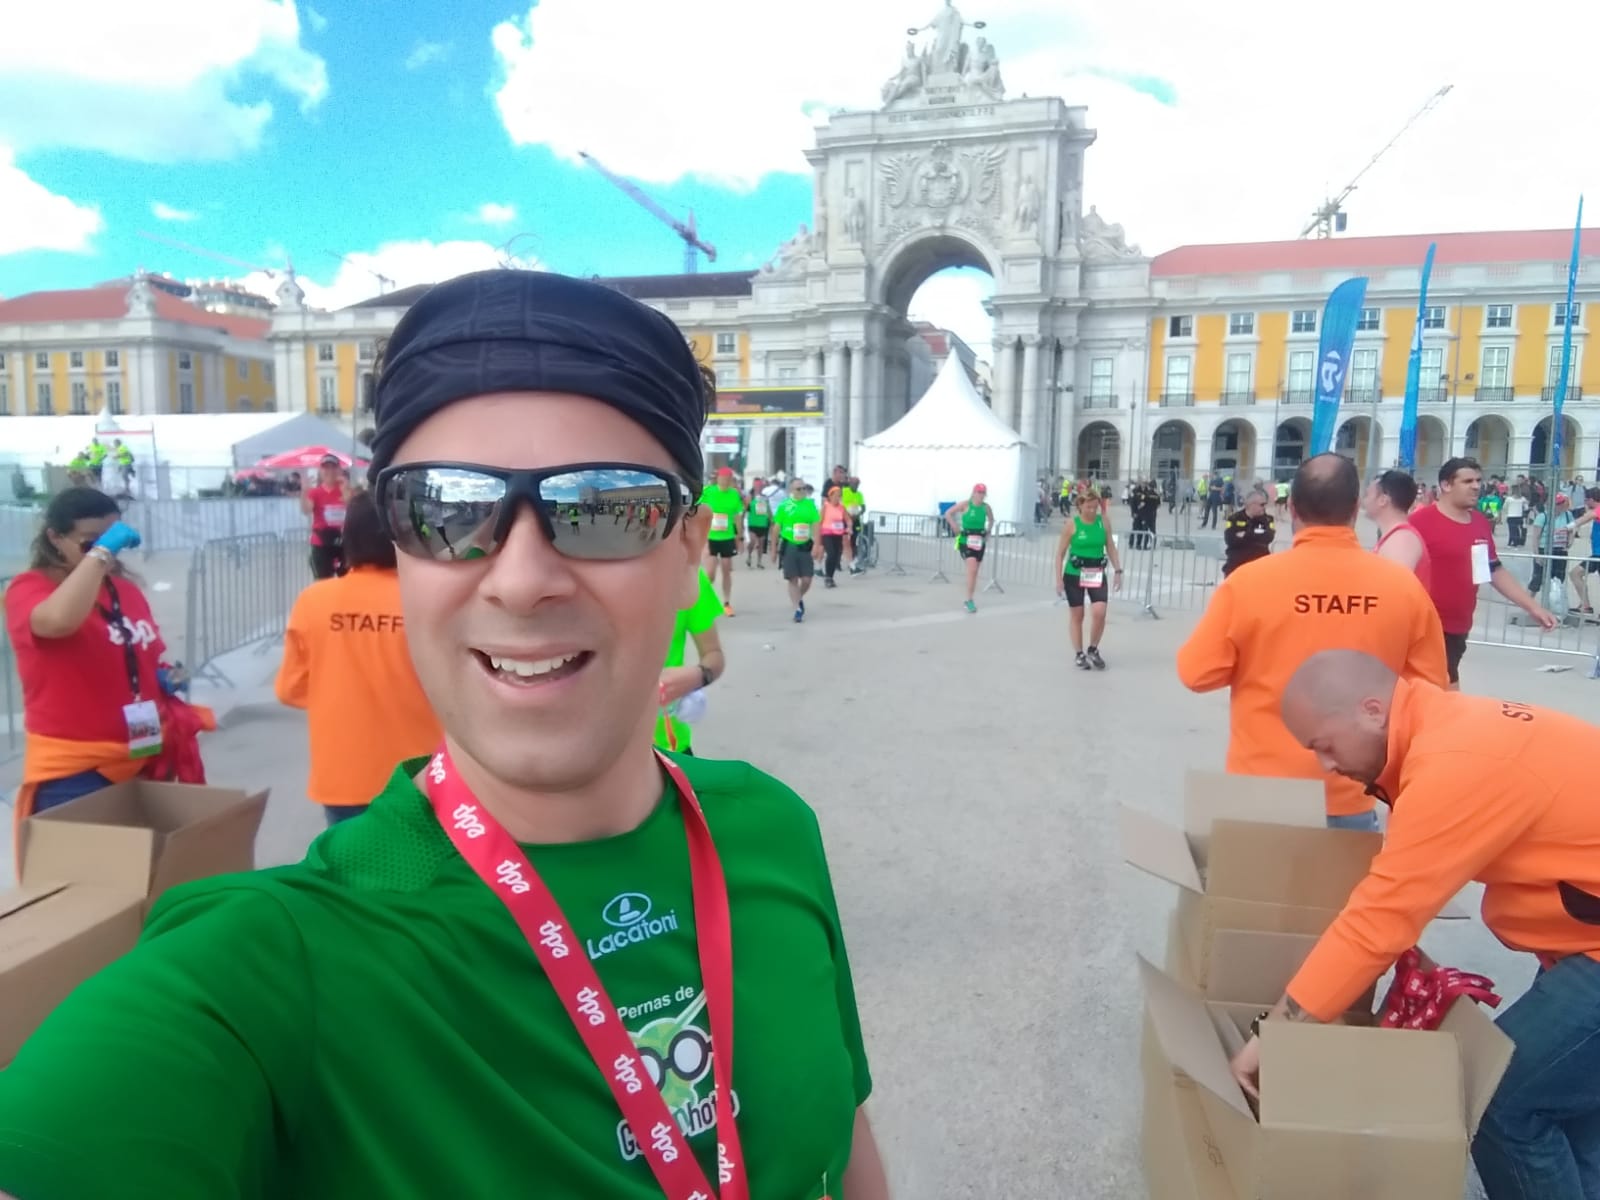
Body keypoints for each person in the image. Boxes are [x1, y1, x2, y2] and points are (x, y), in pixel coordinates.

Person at [0, 270, 888, 1199]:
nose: (520, 577)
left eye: (603, 506)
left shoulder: (774, 831)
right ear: (399, 546)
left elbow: (845, 1134)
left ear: (684, 551)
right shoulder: (276, 965)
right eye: (446, 508)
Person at [1231, 649, 1600, 1198]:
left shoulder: (1455, 760)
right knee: (1567, 1106)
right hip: (1581, 937)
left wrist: (1276, 1030)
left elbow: (1381, 918)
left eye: (1324, 746)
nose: (1326, 767)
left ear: (1374, 710)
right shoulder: (1445, 732)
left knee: (1500, 1099)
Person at [1176, 454, 1448, 829]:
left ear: (1290, 508)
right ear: (1354, 508)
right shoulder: (1403, 588)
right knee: (1340, 890)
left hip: (1259, 788)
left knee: (1253, 889)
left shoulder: (1248, 583)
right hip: (1353, 790)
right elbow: (1431, 692)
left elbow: (1196, 673)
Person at [3, 488, 210, 832]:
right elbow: (56, 623)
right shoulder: (29, 588)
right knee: (93, 880)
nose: (109, 554)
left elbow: (139, 650)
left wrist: (161, 675)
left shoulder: (124, 590)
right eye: (90, 542)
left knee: (149, 873)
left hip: (140, 752)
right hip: (76, 770)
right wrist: (98, 555)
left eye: (114, 541)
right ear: (55, 538)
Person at [274, 492, 442, 826]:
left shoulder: (315, 602)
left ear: (347, 537)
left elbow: (289, 690)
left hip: (343, 776)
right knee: (425, 874)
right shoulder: (429, 601)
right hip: (423, 777)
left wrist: (340, 687)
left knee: (353, 874)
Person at [1410, 457, 1557, 689]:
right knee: (1444, 697)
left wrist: (1533, 607)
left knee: (1441, 697)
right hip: (1426, 627)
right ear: (1446, 485)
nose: (1476, 486)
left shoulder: (1479, 523)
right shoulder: (1419, 522)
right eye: (1467, 481)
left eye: (1479, 480)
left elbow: (1490, 570)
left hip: (1459, 626)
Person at [656, 568, 726, 754]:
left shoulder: (686, 578)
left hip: (670, 746)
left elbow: (713, 654)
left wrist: (697, 676)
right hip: (595, 755)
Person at [1054, 488, 1122, 670]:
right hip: (1074, 574)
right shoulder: (1072, 524)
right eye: (1089, 507)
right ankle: (1079, 653)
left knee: (1100, 613)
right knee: (1078, 615)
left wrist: (1118, 571)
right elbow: (1060, 554)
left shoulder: (1104, 522)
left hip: (1096, 572)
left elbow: (1111, 547)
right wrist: (1058, 579)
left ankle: (1093, 648)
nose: (1092, 511)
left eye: (1095, 507)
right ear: (1080, 506)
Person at [1364, 468, 1431, 589]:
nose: (1364, 500)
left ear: (1382, 500)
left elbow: (1392, 593)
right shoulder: (1397, 536)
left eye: (1367, 495)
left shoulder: (1401, 541)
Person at [698, 465, 745, 615]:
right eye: (722, 479)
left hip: (727, 537)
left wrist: (740, 537)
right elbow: (696, 509)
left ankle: (726, 603)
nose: (725, 482)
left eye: (727, 480)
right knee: (710, 573)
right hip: (710, 537)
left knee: (726, 569)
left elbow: (737, 517)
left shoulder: (734, 494)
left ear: (731, 481)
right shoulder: (708, 492)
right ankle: (703, 601)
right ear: (717, 479)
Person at [775, 477, 822, 622]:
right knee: (792, 578)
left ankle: (798, 597)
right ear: (791, 490)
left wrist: (817, 545)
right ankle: (798, 608)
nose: (802, 491)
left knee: (807, 579)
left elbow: (816, 525)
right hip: (790, 545)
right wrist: (772, 549)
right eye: (798, 489)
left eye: (804, 488)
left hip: (805, 545)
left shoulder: (810, 505)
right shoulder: (784, 506)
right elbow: (776, 528)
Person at [302, 454, 353, 580]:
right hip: (321, 542)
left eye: (333, 468)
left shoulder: (346, 489)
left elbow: (353, 510)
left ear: (339, 470)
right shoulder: (315, 492)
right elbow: (306, 510)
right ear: (320, 471)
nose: (330, 471)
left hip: (343, 542)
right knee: (323, 581)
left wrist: (346, 492)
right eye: (326, 468)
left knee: (348, 580)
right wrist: (303, 492)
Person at [945, 483, 993, 614]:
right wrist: (954, 526)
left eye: (983, 493)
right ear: (973, 493)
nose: (980, 495)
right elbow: (948, 513)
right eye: (979, 492)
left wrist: (988, 532)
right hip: (966, 540)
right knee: (971, 568)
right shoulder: (966, 504)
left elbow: (992, 520)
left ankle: (970, 596)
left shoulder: (986, 507)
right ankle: (969, 600)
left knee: (975, 571)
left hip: (979, 542)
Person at [1221, 488, 1274, 577]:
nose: (1264, 507)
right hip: (1236, 566)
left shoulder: (1268, 520)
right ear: (1251, 505)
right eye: (1262, 505)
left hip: (1259, 567)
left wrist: (1245, 534)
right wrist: (1256, 536)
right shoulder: (1234, 518)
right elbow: (1230, 539)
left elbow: (1268, 537)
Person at [818, 485, 853, 589]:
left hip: (838, 534)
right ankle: (828, 577)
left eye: (840, 496)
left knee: (836, 556)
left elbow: (848, 519)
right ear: (831, 496)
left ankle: (830, 577)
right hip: (827, 533)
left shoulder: (842, 508)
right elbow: (819, 521)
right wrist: (818, 536)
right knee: (831, 554)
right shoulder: (826, 506)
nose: (839, 498)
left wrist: (849, 527)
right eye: (837, 496)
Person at [744, 476, 772, 568]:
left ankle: (759, 562)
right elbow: (745, 509)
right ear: (754, 486)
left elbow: (768, 510)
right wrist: (742, 519)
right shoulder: (750, 497)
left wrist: (771, 520)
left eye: (760, 485)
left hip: (763, 523)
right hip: (752, 523)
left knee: (761, 543)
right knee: (752, 541)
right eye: (757, 485)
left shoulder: (765, 497)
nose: (758, 487)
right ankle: (749, 556)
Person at [841, 476, 866, 575]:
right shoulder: (844, 491)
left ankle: (853, 564)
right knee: (845, 542)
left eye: (857, 484)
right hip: (845, 519)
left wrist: (858, 514)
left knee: (854, 541)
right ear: (850, 483)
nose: (855, 486)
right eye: (854, 483)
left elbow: (864, 508)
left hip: (855, 520)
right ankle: (850, 564)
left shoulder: (860, 495)